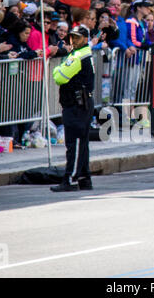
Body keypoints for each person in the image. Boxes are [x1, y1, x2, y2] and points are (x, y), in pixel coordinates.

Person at [51, 26, 95, 192]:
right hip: (82, 103)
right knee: (81, 142)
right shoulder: (84, 53)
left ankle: (71, 179)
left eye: (77, 38)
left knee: (74, 143)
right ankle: (84, 178)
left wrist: (58, 68)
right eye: (72, 38)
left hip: (76, 104)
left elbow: (59, 77)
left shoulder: (77, 56)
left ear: (85, 39)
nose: (73, 41)